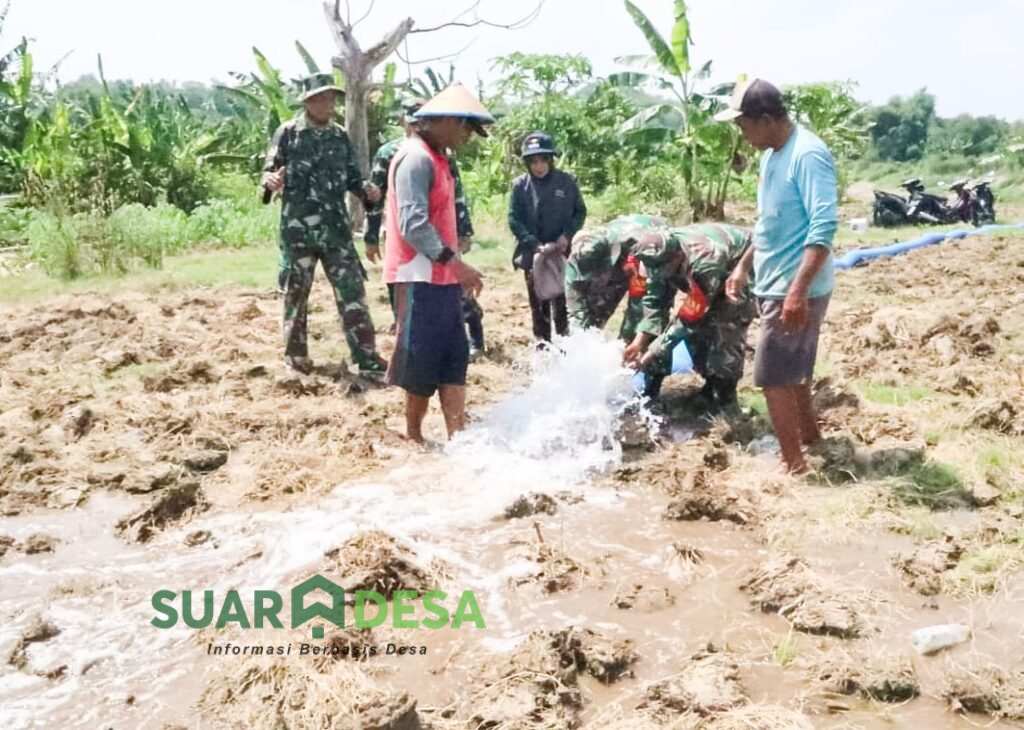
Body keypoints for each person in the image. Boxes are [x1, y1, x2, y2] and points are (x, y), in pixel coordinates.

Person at [717, 78, 838, 473]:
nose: (742, 134)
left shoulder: (808, 155)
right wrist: (744, 264)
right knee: (794, 371)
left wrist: (797, 290)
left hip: (795, 285)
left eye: (744, 125)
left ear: (766, 119)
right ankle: (809, 439)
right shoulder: (772, 155)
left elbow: (823, 226)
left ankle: (794, 467)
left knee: (770, 376)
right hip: (775, 282)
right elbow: (769, 222)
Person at [384, 84, 492, 442]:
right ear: (445, 120)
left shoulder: (440, 159)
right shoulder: (415, 158)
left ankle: (456, 436)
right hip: (418, 276)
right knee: (420, 361)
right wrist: (456, 264)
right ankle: (413, 436)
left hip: (443, 277)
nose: (466, 137)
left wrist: (454, 268)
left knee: (453, 355)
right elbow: (412, 223)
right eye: (464, 128)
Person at [261, 72, 386, 375]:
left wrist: (369, 193)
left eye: (330, 98)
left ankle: (366, 357)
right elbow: (268, 175)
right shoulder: (288, 133)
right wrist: (269, 182)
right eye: (320, 98)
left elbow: (354, 179)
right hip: (298, 233)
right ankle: (296, 358)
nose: (327, 104)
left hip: (336, 231)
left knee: (352, 293)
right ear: (307, 101)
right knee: (295, 295)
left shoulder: (339, 135)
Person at [366, 98, 486, 358]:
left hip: (441, 248)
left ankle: (475, 339)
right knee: (416, 343)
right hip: (411, 259)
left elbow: (455, 195)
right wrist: (371, 234)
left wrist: (463, 230)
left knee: (459, 304)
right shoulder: (403, 155)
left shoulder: (442, 154)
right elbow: (378, 199)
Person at [623, 224, 755, 407]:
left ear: (677, 257)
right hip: (708, 274)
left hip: (743, 266)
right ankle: (652, 389)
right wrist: (640, 341)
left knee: (724, 329)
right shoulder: (653, 255)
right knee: (685, 336)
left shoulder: (706, 262)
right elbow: (654, 301)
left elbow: (688, 319)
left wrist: (650, 354)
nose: (658, 275)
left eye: (663, 270)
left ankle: (722, 396)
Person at [508, 132, 587, 343]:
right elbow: (514, 219)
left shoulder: (566, 182)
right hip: (533, 253)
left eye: (543, 160)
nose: (539, 166)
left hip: (561, 251)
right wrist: (533, 243)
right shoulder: (520, 186)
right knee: (539, 303)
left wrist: (566, 236)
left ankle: (564, 346)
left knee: (562, 301)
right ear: (527, 163)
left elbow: (580, 212)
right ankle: (543, 345)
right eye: (533, 161)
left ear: (550, 160)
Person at [565, 214, 668, 341]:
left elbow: (642, 304)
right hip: (621, 256)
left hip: (653, 250)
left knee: (645, 325)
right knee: (591, 322)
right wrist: (580, 339)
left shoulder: (640, 250)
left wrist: (626, 343)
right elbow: (575, 307)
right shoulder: (578, 256)